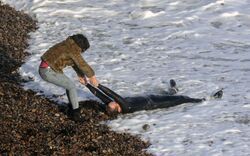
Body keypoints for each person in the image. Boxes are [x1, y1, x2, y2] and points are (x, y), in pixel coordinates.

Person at [39, 34, 99, 122]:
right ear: (80, 46)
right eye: (83, 50)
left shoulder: (67, 45)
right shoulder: (73, 50)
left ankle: (72, 107)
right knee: (71, 86)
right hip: (47, 71)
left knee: (69, 85)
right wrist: (92, 77)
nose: (81, 52)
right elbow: (82, 63)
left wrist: (81, 75)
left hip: (48, 69)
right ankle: (75, 114)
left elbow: (73, 62)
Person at [85, 80, 223, 115]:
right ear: (118, 109)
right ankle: (207, 99)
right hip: (156, 103)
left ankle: (173, 89)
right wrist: (99, 84)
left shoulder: (115, 105)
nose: (112, 102)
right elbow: (112, 94)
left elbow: (102, 97)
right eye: (113, 104)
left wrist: (87, 84)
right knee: (182, 99)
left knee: (172, 95)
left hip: (150, 97)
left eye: (111, 103)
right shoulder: (125, 107)